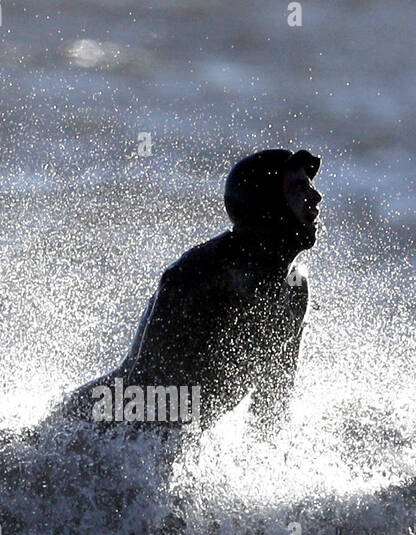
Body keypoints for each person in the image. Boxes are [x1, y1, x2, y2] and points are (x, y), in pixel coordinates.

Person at [52, 148, 322, 437]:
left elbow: (271, 411)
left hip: (160, 440)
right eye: (297, 187)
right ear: (266, 203)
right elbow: (146, 391)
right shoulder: (200, 275)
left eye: (310, 185)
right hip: (89, 427)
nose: (316, 197)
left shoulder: (294, 289)